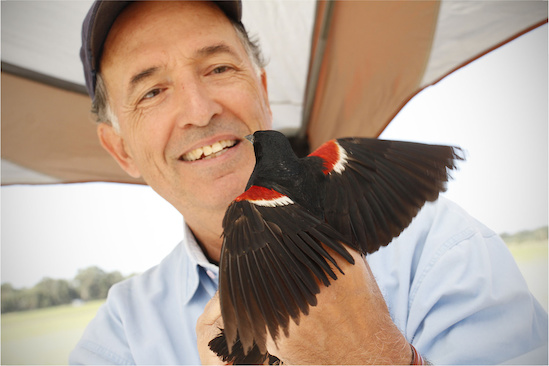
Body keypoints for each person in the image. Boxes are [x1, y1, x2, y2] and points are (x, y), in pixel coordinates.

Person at [70, 1, 547, 364]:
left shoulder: (441, 250)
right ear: (121, 150)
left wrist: (371, 356)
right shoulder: (121, 337)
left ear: (264, 91)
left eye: (218, 68)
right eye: (152, 91)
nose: (200, 109)